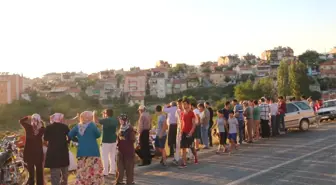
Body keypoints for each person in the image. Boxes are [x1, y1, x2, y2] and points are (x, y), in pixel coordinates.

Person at [68, 111, 104, 185]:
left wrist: (76, 140)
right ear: (90, 118)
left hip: (81, 152)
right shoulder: (92, 125)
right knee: (94, 171)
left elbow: (70, 135)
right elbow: (98, 135)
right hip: (93, 152)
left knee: (82, 170)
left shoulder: (77, 126)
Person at [44, 113, 71, 185]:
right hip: (63, 151)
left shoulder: (49, 127)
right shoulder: (65, 127)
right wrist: (67, 142)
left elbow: (45, 138)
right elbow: (70, 137)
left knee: (54, 172)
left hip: (52, 152)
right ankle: (64, 183)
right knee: (64, 171)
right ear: (60, 118)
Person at [19, 114, 45, 185]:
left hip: (33, 154)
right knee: (34, 174)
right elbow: (21, 121)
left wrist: (27, 117)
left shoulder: (38, 129)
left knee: (35, 174)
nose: (33, 121)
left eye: (34, 119)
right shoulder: (41, 129)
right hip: (34, 154)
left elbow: (21, 121)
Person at [93, 109, 118, 176]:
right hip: (113, 140)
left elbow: (96, 121)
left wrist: (94, 114)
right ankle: (112, 170)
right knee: (112, 156)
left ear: (106, 113)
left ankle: (105, 171)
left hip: (106, 140)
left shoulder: (106, 120)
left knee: (105, 157)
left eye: (104, 113)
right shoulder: (115, 120)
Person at [115, 114, 136, 185]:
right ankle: (119, 181)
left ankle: (130, 182)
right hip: (120, 151)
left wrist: (124, 139)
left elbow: (133, 140)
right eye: (119, 120)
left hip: (128, 152)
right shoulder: (121, 128)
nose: (119, 121)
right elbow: (118, 139)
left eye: (121, 120)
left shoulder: (130, 129)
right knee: (119, 168)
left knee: (129, 169)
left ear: (125, 120)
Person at [180, 99, 198, 168]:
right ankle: (184, 163)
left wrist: (191, 132)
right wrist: (180, 131)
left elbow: (194, 124)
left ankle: (195, 156)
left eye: (185, 104)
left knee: (191, 147)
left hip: (190, 132)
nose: (184, 105)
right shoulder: (182, 113)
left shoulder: (191, 113)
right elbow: (182, 123)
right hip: (183, 132)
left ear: (188, 104)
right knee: (183, 148)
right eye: (183, 104)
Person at [173, 98, 183, 165]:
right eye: (177, 104)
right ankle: (177, 158)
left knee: (186, 144)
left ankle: (189, 156)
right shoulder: (177, 111)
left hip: (186, 129)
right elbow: (177, 121)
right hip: (179, 129)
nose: (178, 105)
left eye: (179, 104)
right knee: (178, 144)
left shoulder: (186, 111)